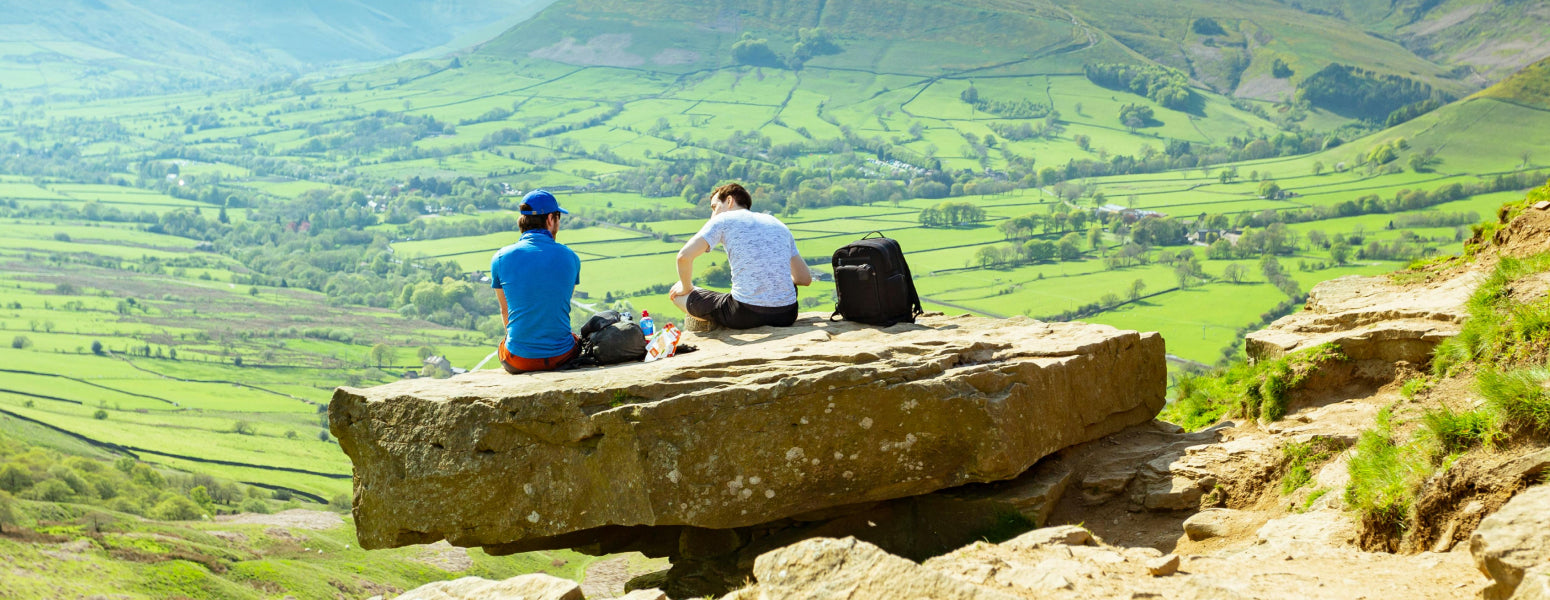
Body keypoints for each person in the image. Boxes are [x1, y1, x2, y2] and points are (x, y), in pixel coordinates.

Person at [669, 183, 813, 329]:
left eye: (714, 207)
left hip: (745, 314)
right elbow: (804, 278)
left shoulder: (723, 219)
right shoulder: (778, 224)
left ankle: (714, 322)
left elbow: (683, 257)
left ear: (729, 201)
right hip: (787, 315)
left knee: (677, 292)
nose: (712, 215)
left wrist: (686, 288)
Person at [490, 190, 581, 373]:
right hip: (561, 357)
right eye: (558, 218)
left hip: (518, 359)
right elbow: (558, 303)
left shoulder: (500, 258)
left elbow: (505, 310)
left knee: (506, 342)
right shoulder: (571, 257)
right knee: (575, 339)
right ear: (550, 219)